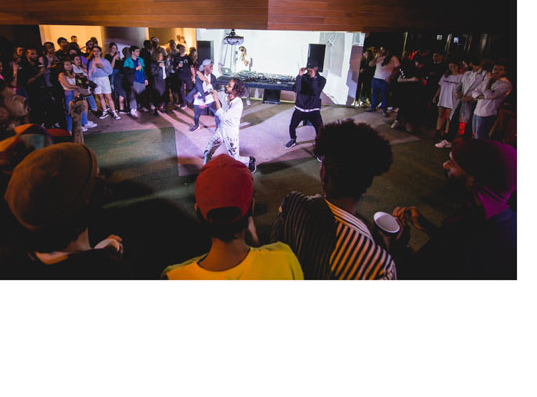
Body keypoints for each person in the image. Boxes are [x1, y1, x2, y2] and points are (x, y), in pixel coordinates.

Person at [271, 119, 396, 279]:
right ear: (366, 183)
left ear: (323, 173)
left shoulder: (292, 205)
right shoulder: (379, 265)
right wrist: (395, 250)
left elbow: (273, 253)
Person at [0, 143, 129, 279]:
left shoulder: (5, 263)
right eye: (95, 179)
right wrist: (107, 257)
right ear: (88, 201)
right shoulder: (107, 273)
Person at [161, 154, 303, 280]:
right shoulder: (285, 259)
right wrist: (255, 243)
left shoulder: (174, 277)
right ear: (252, 206)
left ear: (198, 212)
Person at [392, 140, 517, 279]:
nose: (444, 165)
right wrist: (427, 226)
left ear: (473, 179)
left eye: (452, 163)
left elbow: (414, 272)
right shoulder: (509, 221)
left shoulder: (463, 234)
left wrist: (399, 244)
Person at [204, 78, 256, 172]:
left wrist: (216, 100)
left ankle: (250, 160)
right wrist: (207, 82)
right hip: (221, 129)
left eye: (229, 85)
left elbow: (223, 117)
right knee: (207, 152)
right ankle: (205, 171)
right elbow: (213, 92)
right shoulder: (224, 94)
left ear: (235, 90)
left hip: (231, 132)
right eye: (227, 84)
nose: (226, 86)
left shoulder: (238, 104)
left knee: (234, 158)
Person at [439, 56, 487, 148]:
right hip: (461, 100)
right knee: (454, 119)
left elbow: (483, 89)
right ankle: (448, 140)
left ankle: (465, 144)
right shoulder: (467, 73)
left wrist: (471, 97)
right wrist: (457, 92)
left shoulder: (484, 74)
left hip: (474, 102)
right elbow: (460, 85)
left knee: (469, 124)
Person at [285, 62, 326, 149]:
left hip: (313, 110)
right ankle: (293, 139)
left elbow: (316, 92)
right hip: (300, 108)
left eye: (312, 68)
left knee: (320, 129)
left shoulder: (322, 80)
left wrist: (314, 78)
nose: (309, 70)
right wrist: (299, 76)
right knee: (292, 126)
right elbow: (296, 89)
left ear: (316, 68)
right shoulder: (302, 77)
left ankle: (319, 146)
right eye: (308, 68)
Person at [471, 61, 512, 140]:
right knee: (475, 134)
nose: (497, 71)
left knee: (481, 137)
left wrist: (489, 82)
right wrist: (483, 96)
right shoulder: (487, 80)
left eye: (500, 69)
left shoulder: (505, 84)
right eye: (495, 69)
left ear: (504, 72)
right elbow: (474, 92)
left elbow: (490, 95)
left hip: (488, 113)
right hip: (477, 111)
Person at [58, 59, 97, 133]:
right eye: (67, 65)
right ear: (62, 66)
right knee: (70, 111)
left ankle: (82, 124)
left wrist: (87, 81)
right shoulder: (61, 75)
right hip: (69, 93)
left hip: (77, 92)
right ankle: (70, 129)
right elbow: (68, 85)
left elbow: (82, 78)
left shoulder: (73, 73)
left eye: (70, 64)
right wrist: (78, 87)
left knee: (81, 109)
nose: (69, 66)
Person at [432, 60, 462, 145]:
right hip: (443, 97)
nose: (452, 68)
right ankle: (438, 132)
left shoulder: (461, 77)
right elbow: (440, 87)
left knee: (449, 117)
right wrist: (435, 96)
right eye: (450, 66)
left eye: (454, 66)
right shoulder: (445, 76)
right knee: (440, 115)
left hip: (452, 99)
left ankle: (446, 134)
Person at [88, 46, 120, 120]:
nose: (96, 52)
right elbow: (90, 73)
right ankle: (105, 111)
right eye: (94, 51)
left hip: (104, 79)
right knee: (100, 97)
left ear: (100, 52)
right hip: (95, 80)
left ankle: (114, 112)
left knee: (108, 97)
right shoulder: (91, 62)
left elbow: (110, 71)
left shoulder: (105, 61)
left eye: (97, 51)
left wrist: (102, 67)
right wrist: (90, 82)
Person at [368, 45, 400, 116]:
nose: (381, 51)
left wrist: (391, 76)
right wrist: (376, 57)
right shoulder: (379, 57)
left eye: (382, 50)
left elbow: (397, 68)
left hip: (385, 79)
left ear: (387, 51)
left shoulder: (393, 58)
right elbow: (370, 65)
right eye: (380, 49)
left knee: (385, 95)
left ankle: (384, 110)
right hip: (376, 78)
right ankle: (373, 107)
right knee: (374, 94)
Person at [190, 59, 218, 132]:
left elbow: (212, 89)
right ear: (205, 67)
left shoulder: (213, 77)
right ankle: (196, 125)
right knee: (196, 115)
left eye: (212, 66)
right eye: (210, 66)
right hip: (199, 96)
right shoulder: (199, 75)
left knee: (217, 113)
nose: (212, 68)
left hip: (208, 96)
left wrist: (205, 98)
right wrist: (196, 95)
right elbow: (197, 87)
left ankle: (218, 128)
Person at [122, 45, 149, 117]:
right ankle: (132, 109)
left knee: (142, 94)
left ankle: (141, 106)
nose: (138, 53)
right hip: (134, 80)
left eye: (139, 51)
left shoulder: (140, 59)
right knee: (133, 95)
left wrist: (146, 78)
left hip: (141, 79)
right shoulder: (127, 61)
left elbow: (144, 70)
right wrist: (135, 69)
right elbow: (125, 71)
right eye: (137, 51)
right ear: (132, 52)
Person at [149, 49, 167, 114]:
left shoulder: (163, 62)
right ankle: (155, 109)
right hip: (157, 80)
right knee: (157, 95)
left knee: (163, 94)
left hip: (163, 80)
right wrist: (158, 66)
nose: (162, 57)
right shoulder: (153, 63)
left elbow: (165, 71)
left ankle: (161, 107)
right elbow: (153, 72)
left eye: (162, 55)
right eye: (160, 55)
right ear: (157, 56)